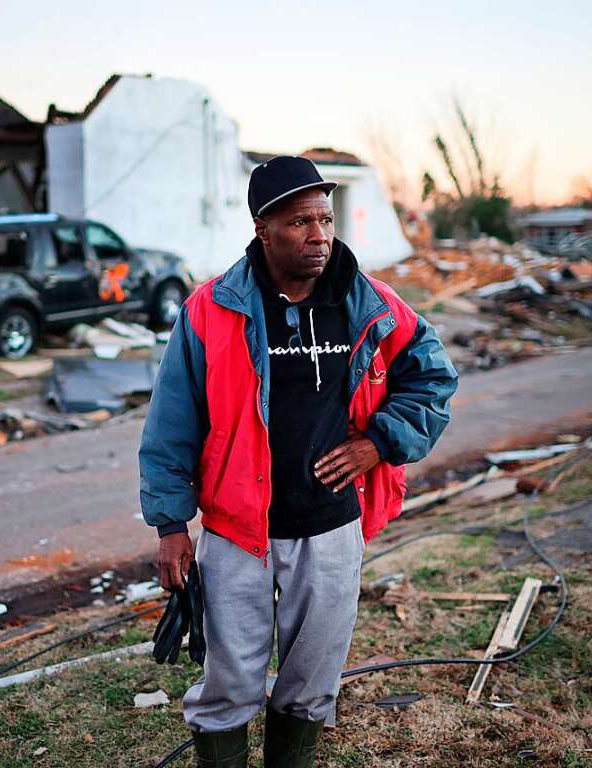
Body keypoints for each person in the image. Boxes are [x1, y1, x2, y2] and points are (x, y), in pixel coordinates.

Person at [139, 155, 458, 767]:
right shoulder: (212, 310)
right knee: (229, 681)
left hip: (333, 527)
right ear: (263, 228)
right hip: (238, 531)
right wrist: (171, 526)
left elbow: (433, 379)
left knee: (312, 683)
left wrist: (379, 443)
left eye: (326, 219)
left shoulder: (371, 302)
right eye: (300, 222)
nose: (319, 236)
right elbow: (171, 423)